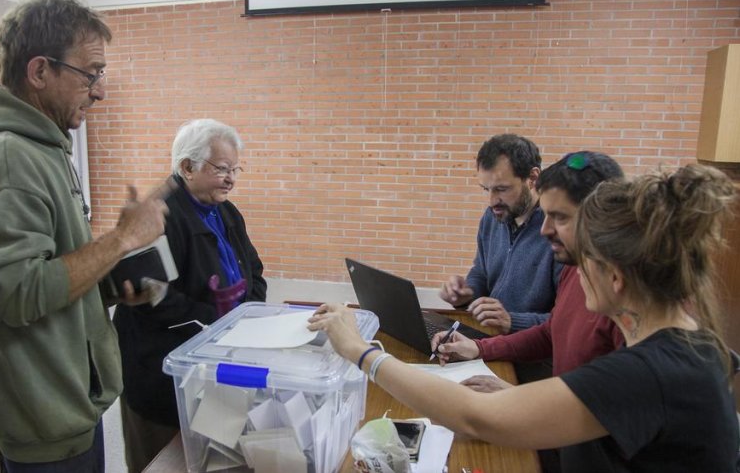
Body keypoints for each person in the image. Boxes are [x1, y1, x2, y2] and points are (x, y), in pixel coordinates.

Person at [310, 164, 739, 472]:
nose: (572, 271)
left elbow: (474, 416)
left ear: (616, 276)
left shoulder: (651, 372)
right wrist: (521, 402)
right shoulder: (681, 349)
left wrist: (360, 352)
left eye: (582, 260)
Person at [0, 0, 169, 471]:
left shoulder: (41, 147)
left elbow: (51, 267)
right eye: (91, 73)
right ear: (38, 71)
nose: (100, 92)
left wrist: (110, 286)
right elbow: (16, 294)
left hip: (65, 406)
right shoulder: (8, 159)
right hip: (43, 424)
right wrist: (121, 240)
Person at [113, 118, 267, 473]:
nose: (231, 178)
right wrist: (221, 324)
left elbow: (254, 270)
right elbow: (150, 295)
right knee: (161, 461)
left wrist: (249, 318)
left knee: (207, 456)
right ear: (187, 167)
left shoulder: (227, 211)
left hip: (214, 359)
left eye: (235, 169)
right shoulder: (159, 214)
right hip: (160, 370)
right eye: (222, 169)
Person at [434, 151, 625, 393]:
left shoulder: (624, 302)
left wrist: (514, 397)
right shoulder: (576, 267)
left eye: (560, 218)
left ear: (605, 218)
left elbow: (604, 411)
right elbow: (551, 332)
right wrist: (479, 347)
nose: (544, 230)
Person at [440, 134, 561, 334]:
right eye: (486, 189)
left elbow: (568, 321)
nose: (492, 201)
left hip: (533, 352)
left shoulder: (559, 232)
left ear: (533, 178)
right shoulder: (492, 218)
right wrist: (466, 294)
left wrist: (512, 321)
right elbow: (482, 271)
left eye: (501, 189)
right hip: (491, 337)